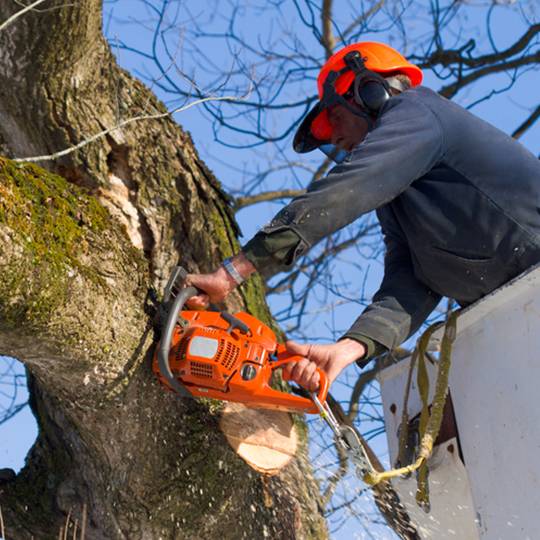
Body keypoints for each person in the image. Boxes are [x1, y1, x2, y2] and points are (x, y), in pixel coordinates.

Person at [186, 41, 540, 393]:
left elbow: (347, 189)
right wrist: (349, 347)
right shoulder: (399, 197)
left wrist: (233, 271)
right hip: (517, 314)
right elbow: (411, 282)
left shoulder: (418, 112)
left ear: (369, 92)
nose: (336, 138)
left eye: (336, 117)